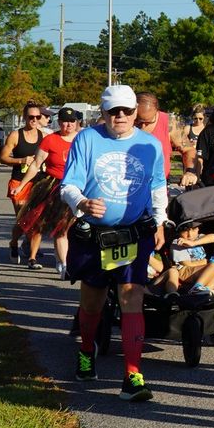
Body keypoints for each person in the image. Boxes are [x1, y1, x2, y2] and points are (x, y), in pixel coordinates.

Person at [60, 85, 166, 401]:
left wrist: (160, 219)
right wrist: (82, 203)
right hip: (95, 235)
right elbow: (68, 185)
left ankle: (133, 376)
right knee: (92, 302)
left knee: (132, 297)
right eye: (113, 111)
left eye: (127, 111)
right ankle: (85, 350)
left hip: (135, 232)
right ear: (103, 112)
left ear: (136, 112)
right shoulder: (87, 139)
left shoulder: (150, 145)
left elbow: (158, 185)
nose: (120, 116)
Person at [15, 107, 83, 277]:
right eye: (64, 121)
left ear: (77, 123)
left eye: (71, 121)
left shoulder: (83, 139)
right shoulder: (50, 140)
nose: (68, 125)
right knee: (61, 227)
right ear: (59, 122)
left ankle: (67, 260)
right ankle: (64, 264)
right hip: (55, 187)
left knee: (76, 228)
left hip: (79, 186)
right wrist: (22, 185)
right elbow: (36, 165)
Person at [2, 102, 47, 266]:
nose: (34, 120)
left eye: (37, 117)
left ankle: (32, 257)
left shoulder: (44, 136)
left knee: (37, 221)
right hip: (18, 182)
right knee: (23, 220)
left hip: (38, 183)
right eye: (31, 117)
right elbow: (3, 157)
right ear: (24, 117)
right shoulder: (15, 135)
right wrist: (21, 160)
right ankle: (14, 242)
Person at [135, 92, 197, 187]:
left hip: (158, 184)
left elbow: (188, 149)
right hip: (130, 182)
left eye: (148, 122)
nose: (142, 126)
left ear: (157, 111)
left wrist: (190, 171)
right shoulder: (123, 121)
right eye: (138, 121)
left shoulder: (169, 122)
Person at [161, 225, 214, 300]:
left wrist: (194, 243)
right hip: (184, 271)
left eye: (193, 230)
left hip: (199, 270)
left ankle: (205, 289)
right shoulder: (177, 242)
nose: (189, 235)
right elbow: (187, 264)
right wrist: (205, 261)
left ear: (198, 229)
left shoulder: (196, 238)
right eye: (185, 231)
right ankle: (196, 288)